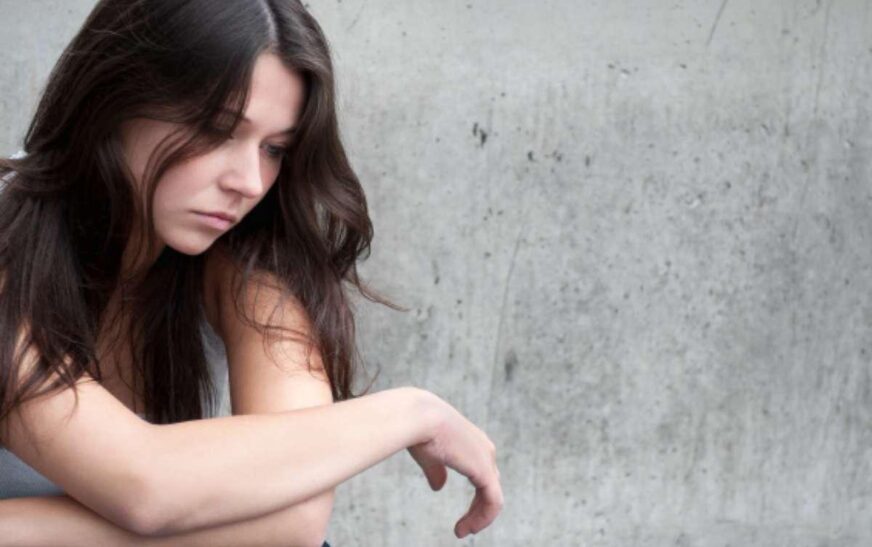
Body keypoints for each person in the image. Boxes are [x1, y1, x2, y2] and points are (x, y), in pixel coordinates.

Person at [0, 0, 503, 545]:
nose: (249, 181)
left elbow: (295, 521)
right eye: (217, 129)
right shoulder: (10, 250)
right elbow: (146, 486)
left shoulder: (247, 256)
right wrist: (410, 413)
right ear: (114, 101)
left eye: (274, 149)